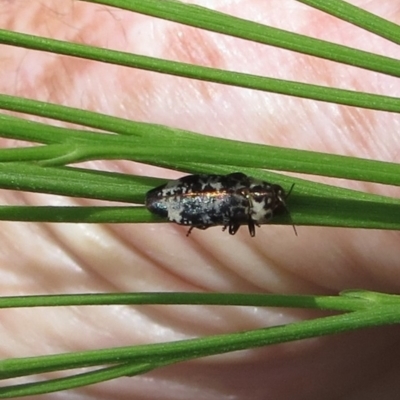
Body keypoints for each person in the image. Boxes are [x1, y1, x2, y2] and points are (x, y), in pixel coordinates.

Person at [1, 1, 400, 399]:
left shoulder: (242, 192)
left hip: (185, 201)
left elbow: (229, 188)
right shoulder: (244, 206)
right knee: (203, 204)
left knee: (204, 202)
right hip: (179, 203)